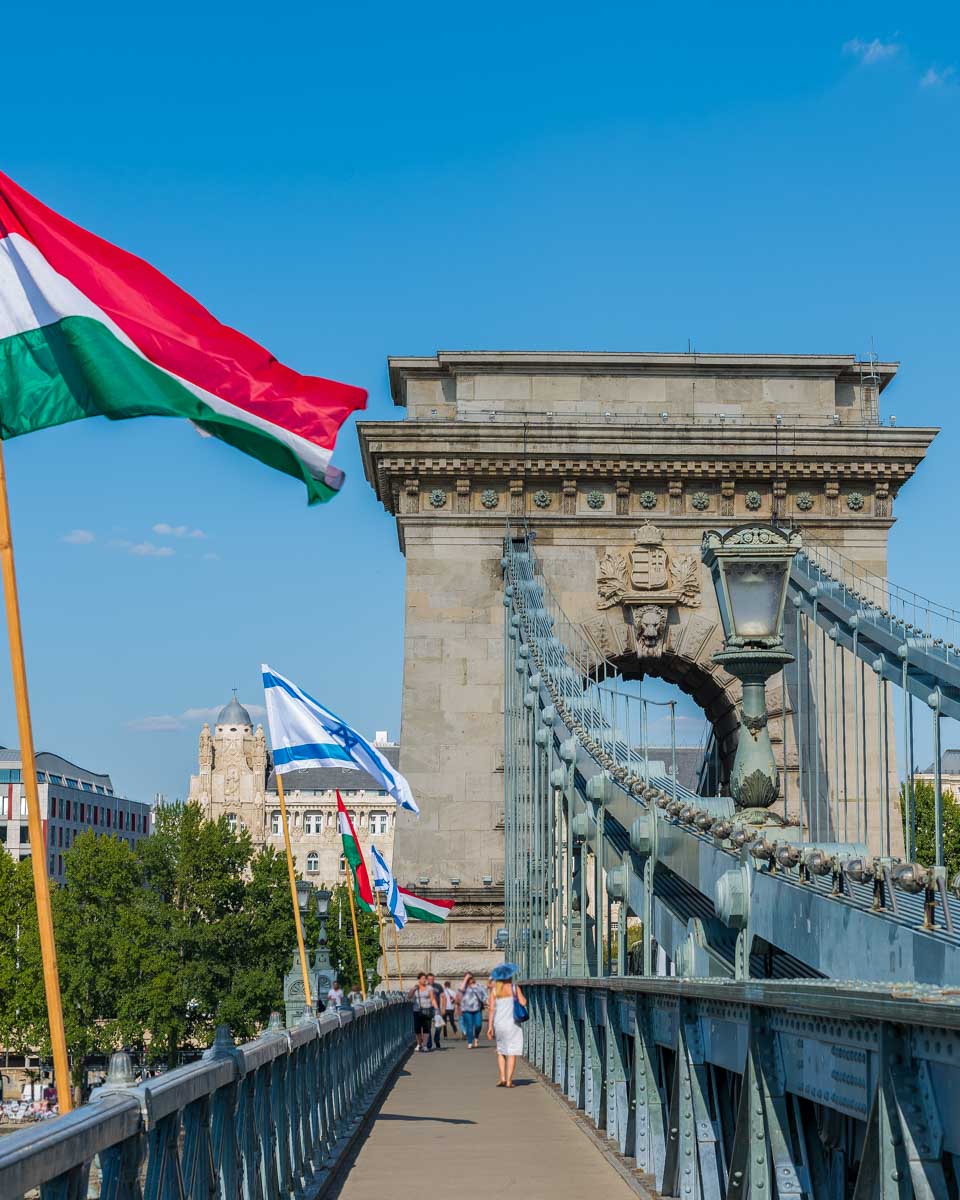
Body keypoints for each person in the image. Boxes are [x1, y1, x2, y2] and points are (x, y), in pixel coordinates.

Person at [487, 965, 526, 1087]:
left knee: (501, 1051)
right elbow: (523, 1002)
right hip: (512, 1024)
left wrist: (490, 1027)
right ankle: (509, 1081)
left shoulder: (495, 990)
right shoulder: (514, 988)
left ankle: (502, 1078)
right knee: (511, 1052)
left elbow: (491, 1009)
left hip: (499, 1024)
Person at [408, 972, 437, 1051]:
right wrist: (414, 989)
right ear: (419, 979)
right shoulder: (415, 988)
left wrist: (436, 1009)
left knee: (426, 1029)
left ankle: (424, 1045)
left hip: (427, 1010)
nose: (425, 980)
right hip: (417, 1010)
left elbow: (432, 999)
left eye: (425, 979)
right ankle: (419, 1044)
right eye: (423, 978)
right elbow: (409, 996)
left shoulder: (429, 988)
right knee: (417, 1029)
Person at [457, 973, 487, 1048]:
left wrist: (488, 1002)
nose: (469, 979)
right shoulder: (464, 986)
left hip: (477, 1009)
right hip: (466, 1010)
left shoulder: (478, 986)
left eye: (470, 978)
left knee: (478, 1025)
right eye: (468, 978)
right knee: (469, 1027)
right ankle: (470, 1042)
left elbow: (484, 996)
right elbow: (460, 990)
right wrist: (465, 979)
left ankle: (476, 1037)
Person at [426, 972, 446, 1048]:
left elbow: (444, 997)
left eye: (432, 979)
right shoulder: (424, 986)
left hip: (436, 1009)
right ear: (427, 979)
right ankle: (429, 1043)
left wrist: (443, 1008)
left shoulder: (438, 986)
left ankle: (436, 1038)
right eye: (429, 979)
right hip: (427, 1008)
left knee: (439, 1025)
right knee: (428, 1026)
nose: (431, 980)